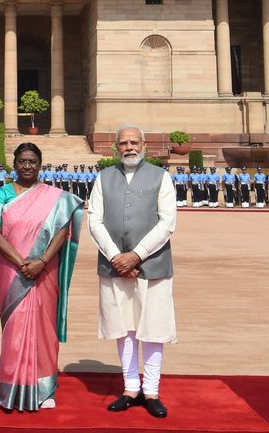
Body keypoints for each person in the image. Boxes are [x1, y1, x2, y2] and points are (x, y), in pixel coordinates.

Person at [87, 126, 176, 419]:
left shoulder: (162, 177)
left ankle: (151, 390)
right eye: (123, 143)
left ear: (144, 144)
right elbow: (94, 221)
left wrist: (136, 255)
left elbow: (167, 223)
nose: (129, 147)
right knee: (124, 329)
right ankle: (130, 388)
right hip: (114, 266)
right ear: (116, 147)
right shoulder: (103, 177)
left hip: (152, 265)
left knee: (152, 329)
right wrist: (117, 257)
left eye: (134, 142)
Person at [0, 142, 82, 412]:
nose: (27, 166)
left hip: (45, 270)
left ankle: (44, 386)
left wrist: (41, 261)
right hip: (10, 271)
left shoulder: (56, 198)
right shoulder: (4, 193)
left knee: (43, 326)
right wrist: (22, 263)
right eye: (22, 161)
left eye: (32, 162)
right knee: (14, 329)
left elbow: (63, 232)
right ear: (14, 164)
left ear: (40, 164)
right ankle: (11, 385)